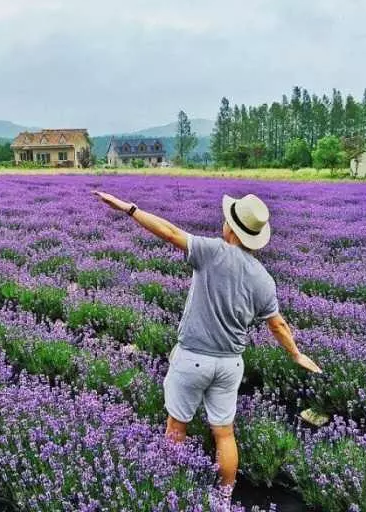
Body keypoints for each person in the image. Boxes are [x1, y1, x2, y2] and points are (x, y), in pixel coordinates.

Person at [93, 190, 322, 504]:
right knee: (224, 434)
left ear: (231, 229)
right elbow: (277, 324)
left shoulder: (212, 252)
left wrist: (130, 208)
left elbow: (170, 232)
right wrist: (296, 354)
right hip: (230, 365)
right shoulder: (264, 279)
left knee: (176, 427)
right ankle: (224, 501)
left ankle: (172, 491)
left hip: (193, 360)